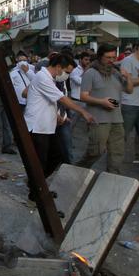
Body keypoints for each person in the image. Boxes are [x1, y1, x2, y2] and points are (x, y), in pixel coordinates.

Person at [25, 52, 94, 185]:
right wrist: (82, 111)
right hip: (38, 127)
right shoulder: (43, 77)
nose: (67, 76)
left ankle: (36, 184)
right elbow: (62, 99)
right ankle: (35, 191)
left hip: (47, 126)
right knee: (41, 162)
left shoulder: (49, 78)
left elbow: (45, 102)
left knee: (57, 155)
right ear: (58, 67)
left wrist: (56, 115)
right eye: (66, 72)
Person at [79, 44, 131, 175]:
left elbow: (129, 90)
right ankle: (79, 170)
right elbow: (83, 96)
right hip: (99, 119)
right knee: (96, 151)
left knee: (117, 152)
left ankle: (112, 178)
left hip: (117, 118)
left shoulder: (116, 72)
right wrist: (101, 102)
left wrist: (128, 77)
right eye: (108, 57)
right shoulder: (91, 73)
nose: (111, 60)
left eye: (113, 57)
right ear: (100, 57)